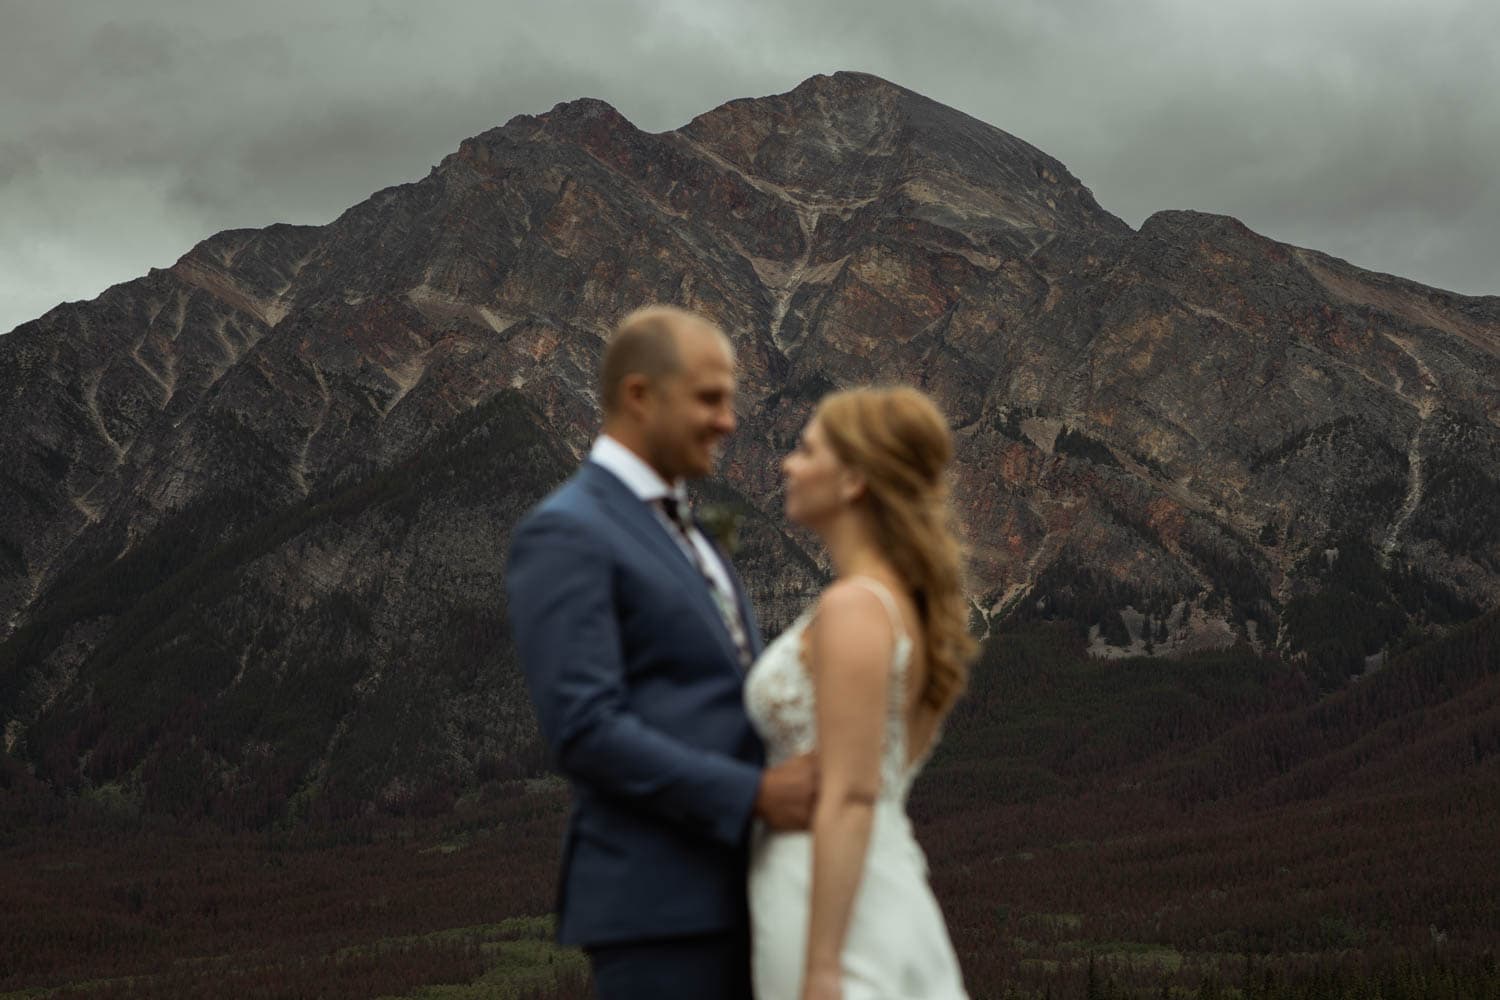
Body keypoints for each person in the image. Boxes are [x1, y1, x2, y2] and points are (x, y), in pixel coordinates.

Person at [506, 305, 818, 1000]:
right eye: (710, 398)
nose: (729, 421)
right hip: (659, 912)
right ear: (640, 395)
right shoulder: (567, 532)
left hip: (747, 900)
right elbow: (585, 729)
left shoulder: (695, 535)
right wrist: (758, 797)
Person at [745, 386, 977, 1000]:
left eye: (806, 449)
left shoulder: (855, 607)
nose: (787, 464)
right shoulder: (903, 605)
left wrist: (823, 968)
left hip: (826, 903)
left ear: (852, 480)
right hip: (871, 880)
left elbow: (849, 794)